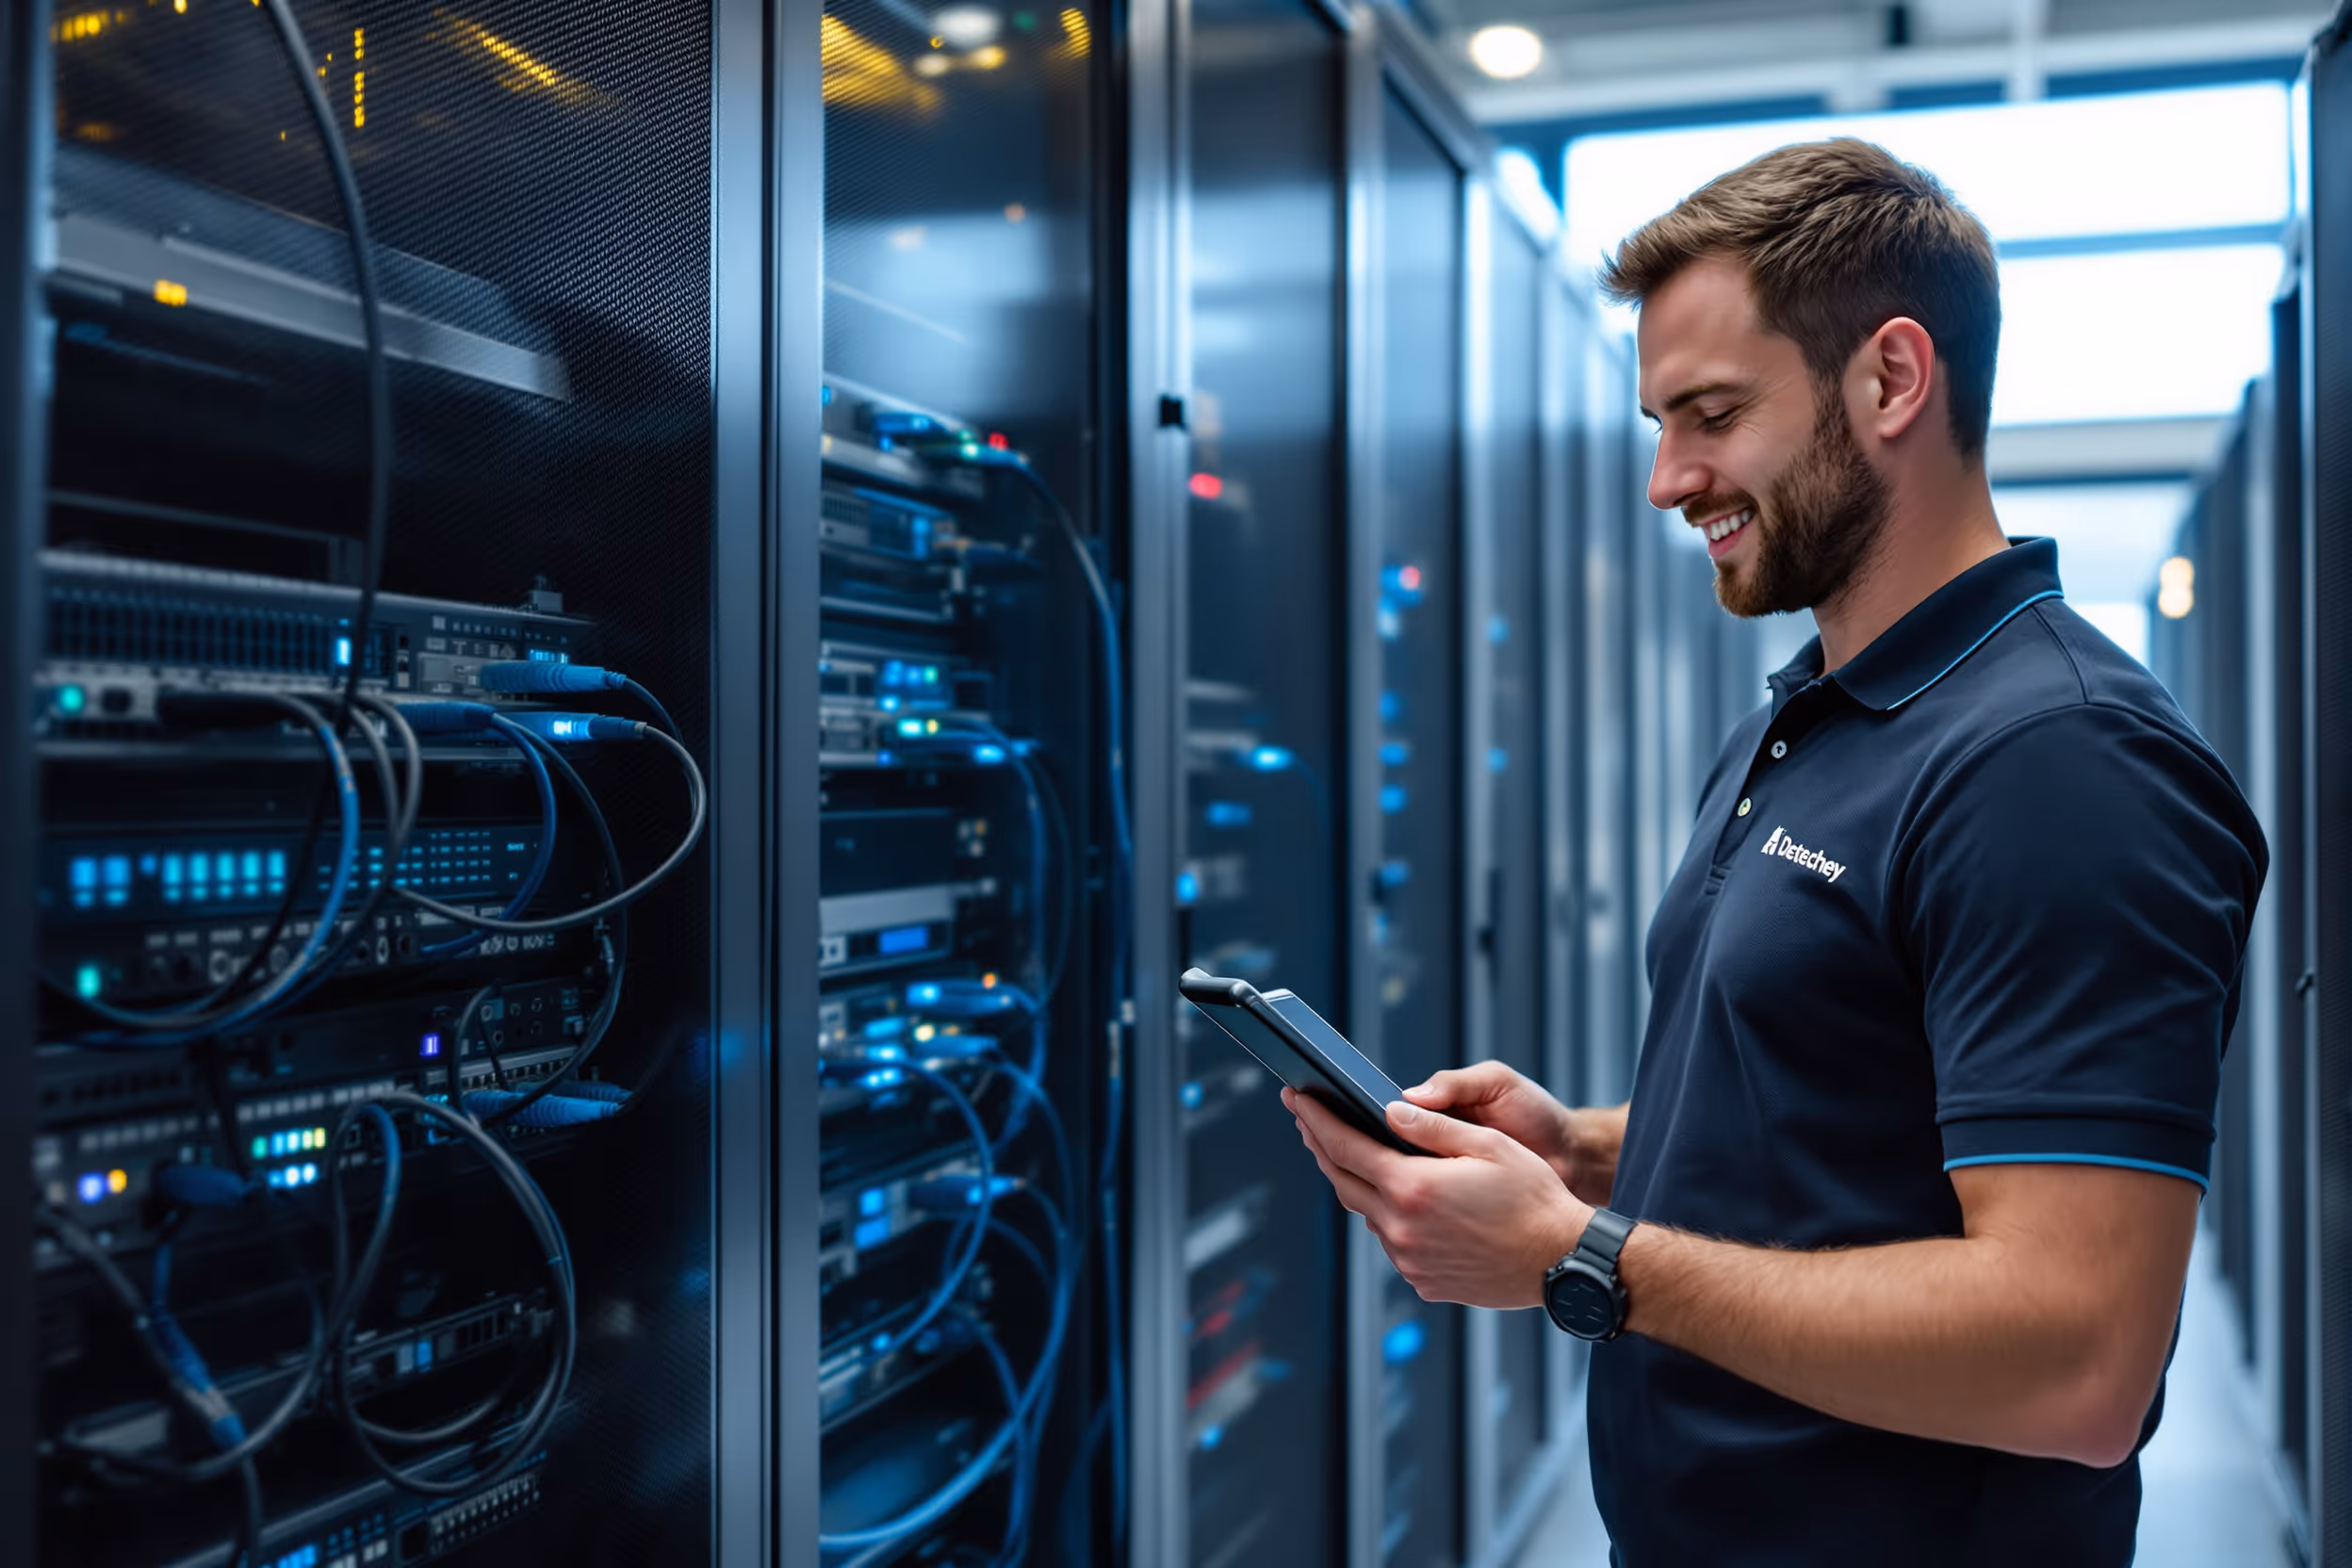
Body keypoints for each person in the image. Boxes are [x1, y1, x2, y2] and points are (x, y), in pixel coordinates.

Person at [1283, 138, 2268, 1566]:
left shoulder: (2059, 762)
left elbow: (2077, 1363)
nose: (1667, 478)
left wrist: (1580, 1257)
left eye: (1712, 414)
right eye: (1658, 421)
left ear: (1891, 381)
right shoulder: (1818, 716)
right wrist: (1587, 1154)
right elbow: (1843, 1110)